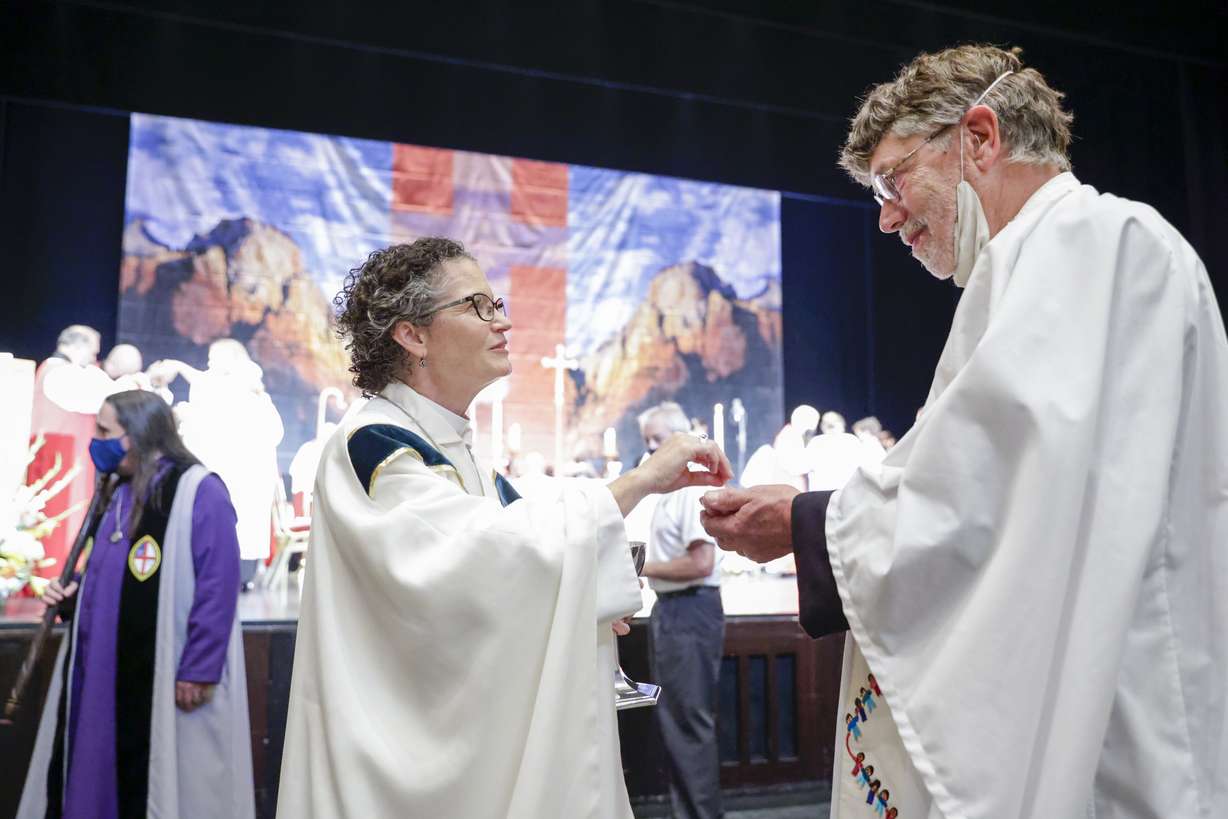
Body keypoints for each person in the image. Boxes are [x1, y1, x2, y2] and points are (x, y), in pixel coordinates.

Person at [700, 44, 1228, 818]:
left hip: (1120, 734)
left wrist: (807, 523)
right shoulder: (1041, 263)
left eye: (893, 179)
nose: (885, 218)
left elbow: (992, 486)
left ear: (979, 138)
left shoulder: (1093, 242)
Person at [276, 237, 732, 818]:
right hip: (393, 766)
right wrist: (641, 480)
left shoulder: (462, 455)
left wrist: (581, 597)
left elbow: (517, 559)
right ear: (412, 334)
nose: (504, 321)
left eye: (497, 304)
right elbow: (475, 556)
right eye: (477, 306)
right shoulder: (372, 444)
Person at [17, 389, 253, 819]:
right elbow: (107, 577)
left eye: (106, 431)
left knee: (156, 781)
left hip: (161, 673)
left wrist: (199, 667)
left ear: (141, 434)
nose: (98, 441)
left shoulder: (197, 490)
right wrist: (72, 598)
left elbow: (218, 586)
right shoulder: (117, 490)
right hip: (99, 672)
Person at [637, 401, 725, 819]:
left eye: (658, 441)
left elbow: (700, 563)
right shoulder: (670, 492)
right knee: (677, 724)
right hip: (673, 609)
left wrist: (636, 565)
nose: (651, 451)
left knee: (688, 725)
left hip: (690, 609)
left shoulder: (690, 491)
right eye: (647, 443)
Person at [155, 339, 284, 584]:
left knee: (235, 534)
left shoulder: (244, 387)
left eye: (216, 356)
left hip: (241, 475)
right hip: (219, 472)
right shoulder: (218, 387)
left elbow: (218, 401)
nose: (210, 362)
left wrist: (180, 370)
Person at [27, 325, 109, 576]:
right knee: (60, 528)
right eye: (92, 353)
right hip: (60, 462)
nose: (94, 360)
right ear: (77, 347)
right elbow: (105, 397)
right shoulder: (59, 373)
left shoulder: (57, 371)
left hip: (63, 459)